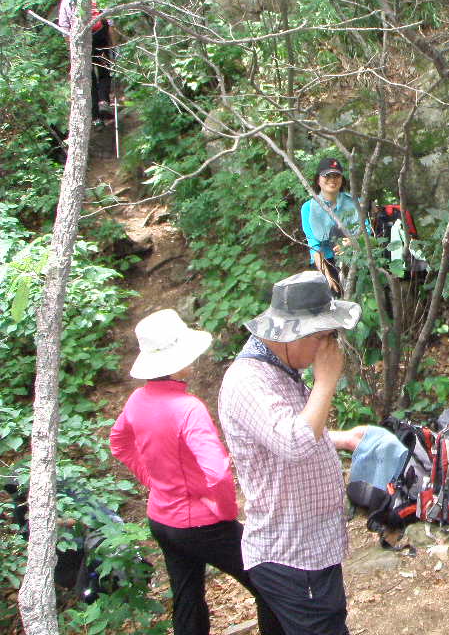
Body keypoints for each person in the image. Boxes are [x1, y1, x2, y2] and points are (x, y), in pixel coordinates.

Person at [109, 309, 282, 635]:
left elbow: (118, 443)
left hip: (161, 520)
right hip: (203, 524)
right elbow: (216, 472)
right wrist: (224, 512)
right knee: (269, 581)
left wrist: (152, 481)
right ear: (176, 363)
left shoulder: (136, 400)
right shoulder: (188, 409)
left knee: (187, 599)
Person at [218, 271, 362, 635]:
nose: (328, 347)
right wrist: (326, 381)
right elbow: (295, 442)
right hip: (292, 555)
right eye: (324, 337)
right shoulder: (249, 381)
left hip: (306, 548)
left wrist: (340, 438)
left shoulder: (279, 368)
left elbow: (285, 431)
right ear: (294, 333)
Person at [301, 157, 362, 294]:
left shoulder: (355, 202)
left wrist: (352, 242)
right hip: (326, 262)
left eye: (336, 175)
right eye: (327, 176)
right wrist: (326, 276)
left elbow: (366, 231)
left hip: (355, 260)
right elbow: (314, 246)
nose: (332, 180)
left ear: (342, 179)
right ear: (318, 180)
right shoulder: (308, 208)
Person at [58, 0, 116, 121]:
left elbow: (64, 28)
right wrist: (113, 46)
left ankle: (95, 115)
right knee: (104, 72)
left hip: (80, 43)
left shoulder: (67, 2)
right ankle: (104, 102)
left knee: (88, 77)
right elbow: (110, 24)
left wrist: (71, 50)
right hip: (100, 40)